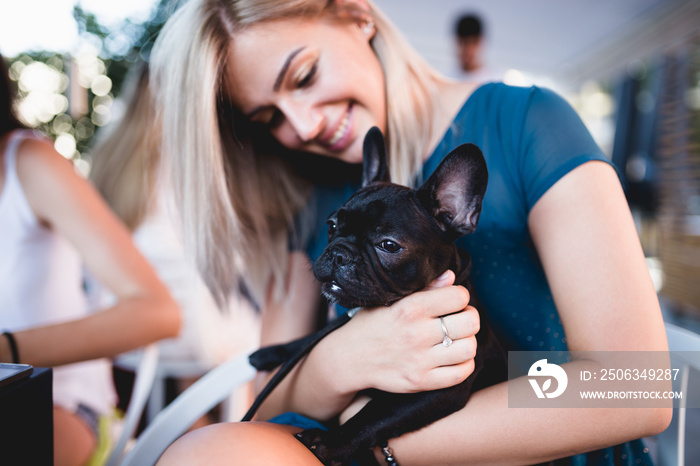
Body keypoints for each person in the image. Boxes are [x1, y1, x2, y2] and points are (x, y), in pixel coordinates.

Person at [146, 0, 671, 464]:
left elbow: (638, 387)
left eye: (304, 75)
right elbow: (266, 403)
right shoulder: (312, 191)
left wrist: (375, 449)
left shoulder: (527, 122)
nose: (302, 125)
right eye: (268, 117)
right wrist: (339, 359)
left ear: (356, 13)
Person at [0, 53, 181, 466]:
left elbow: (159, 310)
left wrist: (5, 351)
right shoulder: (158, 162)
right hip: (181, 345)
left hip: (65, 402)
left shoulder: (37, 163)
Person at [88, 62, 261, 424]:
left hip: (129, 336)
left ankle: (187, 432)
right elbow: (231, 257)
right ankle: (237, 440)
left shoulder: (109, 158)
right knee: (261, 337)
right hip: (194, 331)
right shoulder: (191, 163)